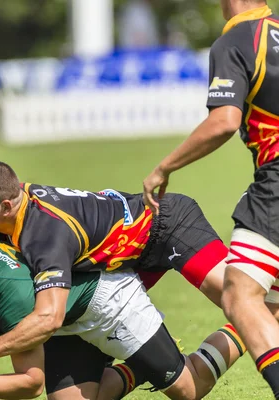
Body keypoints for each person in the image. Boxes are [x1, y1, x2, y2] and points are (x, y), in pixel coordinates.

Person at [0, 177, 245, 399]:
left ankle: (249, 329)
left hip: (112, 295)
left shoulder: (15, 295)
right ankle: (136, 367)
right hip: (68, 305)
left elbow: (32, 380)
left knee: (191, 387)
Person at [141, 1, 279, 397]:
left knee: (240, 296)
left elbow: (224, 121)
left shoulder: (238, 38)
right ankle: (200, 370)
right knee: (268, 303)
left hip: (276, 179)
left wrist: (165, 167)